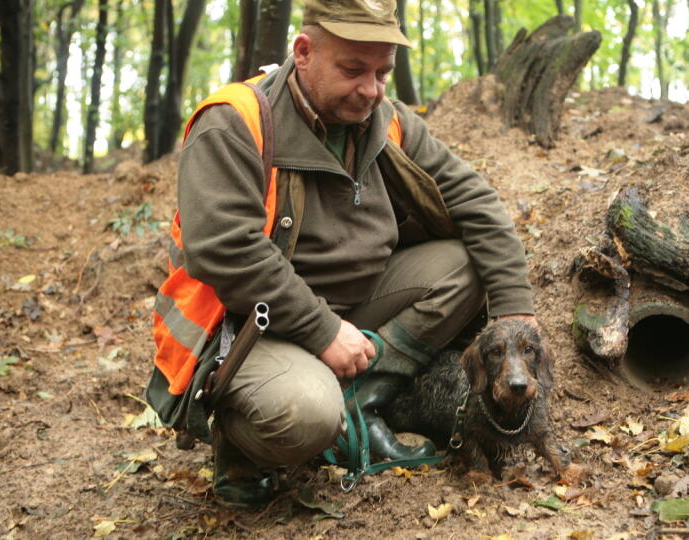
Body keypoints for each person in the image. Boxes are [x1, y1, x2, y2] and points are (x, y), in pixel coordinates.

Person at [145, 0, 538, 509]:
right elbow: (224, 248)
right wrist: (323, 331)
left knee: (467, 267)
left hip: (357, 306)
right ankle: (241, 450)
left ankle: (360, 403)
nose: (371, 89)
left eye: (381, 73)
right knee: (307, 413)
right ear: (304, 52)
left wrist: (514, 309)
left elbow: (474, 198)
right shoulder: (235, 122)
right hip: (254, 325)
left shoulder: (386, 120)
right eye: (353, 70)